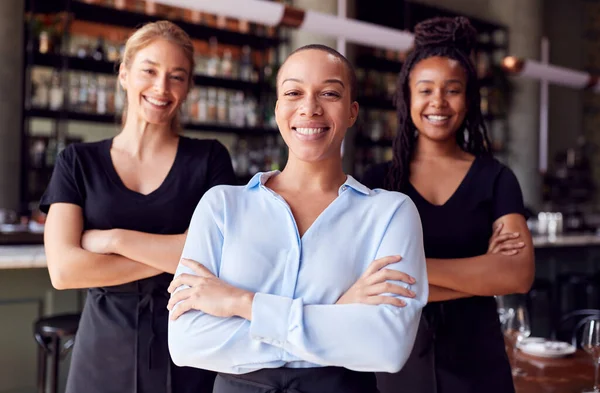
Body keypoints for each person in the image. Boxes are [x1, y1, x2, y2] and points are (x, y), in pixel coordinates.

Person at [166, 44, 428, 393]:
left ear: (352, 112)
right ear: (278, 109)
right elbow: (187, 343)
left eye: (329, 93)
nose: (309, 108)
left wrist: (240, 303)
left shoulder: (390, 214)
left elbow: (386, 347)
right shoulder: (221, 206)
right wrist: (336, 312)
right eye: (293, 92)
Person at [40, 21, 236, 393]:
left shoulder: (209, 158)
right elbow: (64, 272)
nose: (162, 88)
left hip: (188, 353)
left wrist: (113, 239)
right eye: (149, 71)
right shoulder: (76, 162)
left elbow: (223, 255)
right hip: (102, 353)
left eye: (177, 77)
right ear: (125, 73)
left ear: (188, 87)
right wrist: (181, 254)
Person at [361, 17, 535, 393]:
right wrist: (481, 277)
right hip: (395, 363)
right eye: (425, 90)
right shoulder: (376, 182)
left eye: (452, 90)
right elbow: (357, 276)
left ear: (469, 99)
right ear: (406, 98)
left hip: (479, 363)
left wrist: (408, 270)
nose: (438, 101)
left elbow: (518, 274)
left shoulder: (496, 178)